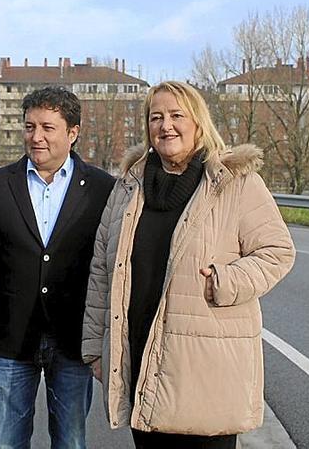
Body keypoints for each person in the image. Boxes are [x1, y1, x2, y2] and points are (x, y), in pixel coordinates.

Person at [82, 81, 295, 448]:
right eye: (156, 117)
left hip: (206, 370)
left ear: (198, 122)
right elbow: (102, 269)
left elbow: (277, 251)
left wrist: (225, 281)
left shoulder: (235, 182)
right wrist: (94, 349)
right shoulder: (128, 187)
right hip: (144, 362)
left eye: (177, 115)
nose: (166, 126)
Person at [0, 86, 114, 448]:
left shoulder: (102, 189)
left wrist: (107, 339)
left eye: (47, 127)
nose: (36, 137)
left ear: (72, 133)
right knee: (8, 441)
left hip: (74, 341)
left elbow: (110, 268)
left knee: (70, 441)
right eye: (30, 127)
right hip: (11, 339)